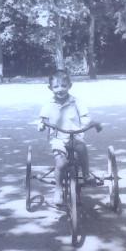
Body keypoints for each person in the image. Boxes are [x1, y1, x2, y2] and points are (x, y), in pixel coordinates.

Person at [38, 70, 99, 206]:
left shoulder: (76, 101)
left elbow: (85, 116)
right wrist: (41, 125)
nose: (60, 90)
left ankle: (86, 174)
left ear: (69, 86)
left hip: (74, 135)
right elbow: (42, 119)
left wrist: (87, 124)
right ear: (50, 88)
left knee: (82, 148)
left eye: (64, 86)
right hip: (58, 138)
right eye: (56, 87)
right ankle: (58, 190)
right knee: (61, 163)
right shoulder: (49, 104)